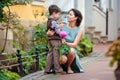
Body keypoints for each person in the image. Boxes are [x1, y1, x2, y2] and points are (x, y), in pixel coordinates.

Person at [47, 8, 84, 73]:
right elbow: (51, 31)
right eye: (68, 14)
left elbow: (74, 44)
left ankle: (68, 67)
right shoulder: (62, 25)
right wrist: (48, 33)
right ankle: (59, 68)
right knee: (63, 60)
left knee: (72, 51)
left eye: (70, 14)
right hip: (60, 48)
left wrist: (65, 43)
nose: (67, 16)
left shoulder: (79, 30)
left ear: (76, 18)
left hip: (70, 51)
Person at [44, 5, 66, 75]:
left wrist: (58, 25)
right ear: (53, 13)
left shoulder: (49, 20)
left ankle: (47, 69)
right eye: (58, 14)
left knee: (50, 54)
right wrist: (60, 27)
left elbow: (51, 28)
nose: (58, 16)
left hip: (51, 40)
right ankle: (58, 69)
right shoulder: (53, 21)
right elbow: (57, 30)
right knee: (56, 54)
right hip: (55, 40)